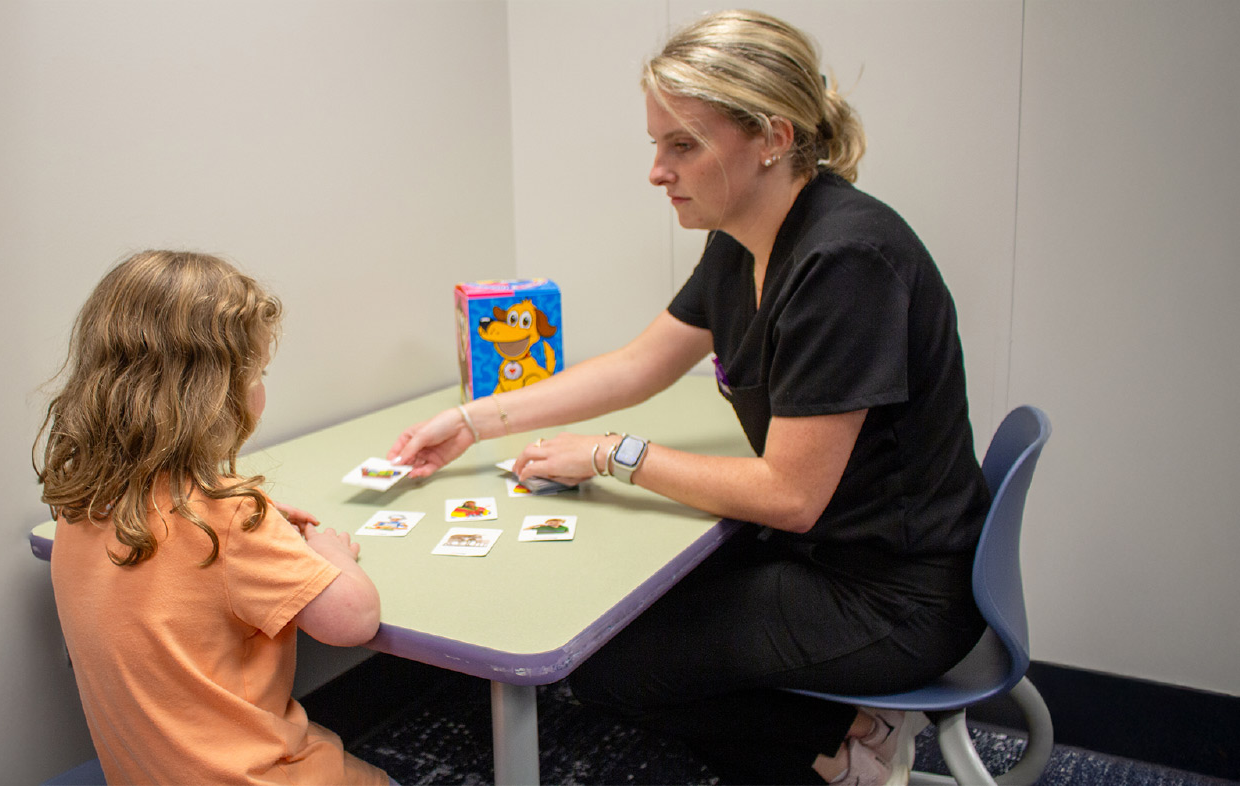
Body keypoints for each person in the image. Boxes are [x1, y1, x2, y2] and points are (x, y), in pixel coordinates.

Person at [389, 10, 988, 785]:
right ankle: (846, 726)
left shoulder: (846, 261)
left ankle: (844, 745)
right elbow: (639, 366)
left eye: (683, 145)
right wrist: (472, 421)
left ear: (772, 137)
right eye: (656, 145)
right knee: (622, 614)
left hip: (892, 593)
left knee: (607, 669)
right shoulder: (743, 236)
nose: (656, 172)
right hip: (827, 554)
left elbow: (790, 495)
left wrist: (610, 454)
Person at [36, 250, 389, 785]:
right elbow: (353, 621)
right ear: (220, 396)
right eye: (258, 372)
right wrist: (332, 554)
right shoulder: (231, 515)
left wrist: (263, 535)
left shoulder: (79, 500)